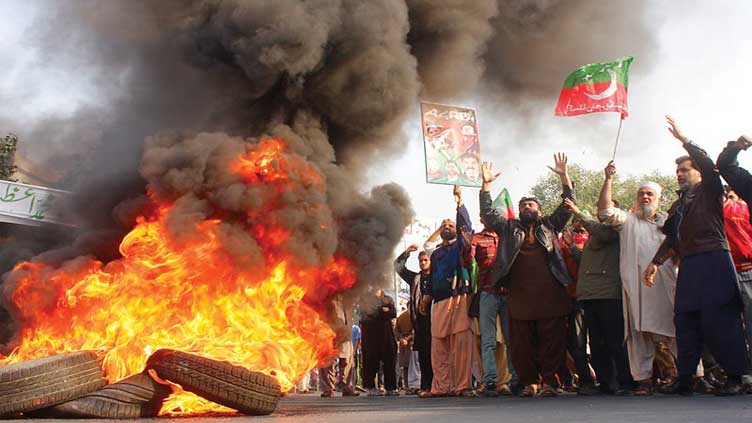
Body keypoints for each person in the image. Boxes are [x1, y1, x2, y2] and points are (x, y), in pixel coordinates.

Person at [644, 116, 747, 396]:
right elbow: (671, 238)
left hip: (714, 259)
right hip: (689, 264)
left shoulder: (710, 190)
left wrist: (685, 140)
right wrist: (655, 263)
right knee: (685, 319)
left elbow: (706, 162)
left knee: (721, 319)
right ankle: (685, 379)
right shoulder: (679, 204)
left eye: (686, 170)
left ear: (700, 173)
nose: (680, 174)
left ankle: (736, 377)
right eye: (677, 171)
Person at [479, 153, 574, 397]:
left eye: (530, 205)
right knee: (522, 343)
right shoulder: (509, 227)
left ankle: (550, 383)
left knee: (551, 340)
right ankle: (530, 382)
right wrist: (486, 185)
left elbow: (568, 205)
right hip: (520, 296)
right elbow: (489, 214)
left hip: (550, 294)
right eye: (522, 206)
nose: (525, 208)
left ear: (539, 210)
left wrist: (564, 176)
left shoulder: (550, 225)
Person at [598, 161, 678, 396]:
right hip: (636, 289)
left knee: (676, 330)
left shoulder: (668, 223)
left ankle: (690, 375)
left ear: (658, 200)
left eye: (649, 194)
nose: (644, 197)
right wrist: (608, 179)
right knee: (638, 334)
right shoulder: (628, 221)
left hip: (664, 286)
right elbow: (604, 211)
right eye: (641, 193)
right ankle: (644, 380)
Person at [564, 198, 635, 395]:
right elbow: (588, 262)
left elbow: (602, 232)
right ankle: (606, 383)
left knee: (614, 340)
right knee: (597, 342)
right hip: (590, 294)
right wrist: (572, 248)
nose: (601, 211)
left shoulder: (616, 228)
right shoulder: (595, 234)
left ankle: (625, 382)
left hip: (608, 294)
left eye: (606, 208)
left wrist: (578, 212)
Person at [419, 185, 474, 398]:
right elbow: (431, 276)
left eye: (451, 224)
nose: (448, 226)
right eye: (445, 225)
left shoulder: (461, 245)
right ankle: (440, 387)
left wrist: (459, 203)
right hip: (439, 301)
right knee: (438, 345)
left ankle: (462, 386)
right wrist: (426, 296)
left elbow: (465, 226)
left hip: (459, 297)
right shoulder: (436, 253)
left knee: (461, 344)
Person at [463, 213, 516, 396]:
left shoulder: (508, 236)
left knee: (511, 339)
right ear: (482, 219)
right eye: (485, 217)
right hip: (487, 292)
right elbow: (467, 264)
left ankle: (514, 381)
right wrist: (466, 245)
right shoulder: (476, 238)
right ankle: (490, 382)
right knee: (488, 340)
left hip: (508, 293)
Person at [716, 136, 752, 389]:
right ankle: (738, 375)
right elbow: (726, 166)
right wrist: (738, 145)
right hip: (733, 271)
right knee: (732, 326)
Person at [394, 245, 433, 394]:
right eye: (421, 261)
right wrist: (406, 253)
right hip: (420, 323)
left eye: (425, 260)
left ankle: (438, 385)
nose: (423, 263)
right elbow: (398, 267)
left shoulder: (436, 277)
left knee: (435, 355)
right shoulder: (415, 278)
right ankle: (425, 386)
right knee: (423, 355)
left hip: (435, 320)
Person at [360, 288, 399, 396]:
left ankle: (391, 387)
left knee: (390, 360)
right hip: (371, 336)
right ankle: (370, 387)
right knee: (371, 361)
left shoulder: (388, 299)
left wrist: (380, 311)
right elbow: (369, 313)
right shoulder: (366, 299)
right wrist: (383, 310)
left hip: (387, 334)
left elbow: (393, 313)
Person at [319, 294, 359, 397]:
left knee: (347, 361)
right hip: (329, 333)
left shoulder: (349, 296)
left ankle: (348, 386)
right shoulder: (327, 294)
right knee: (326, 361)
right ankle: (327, 388)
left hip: (346, 333)